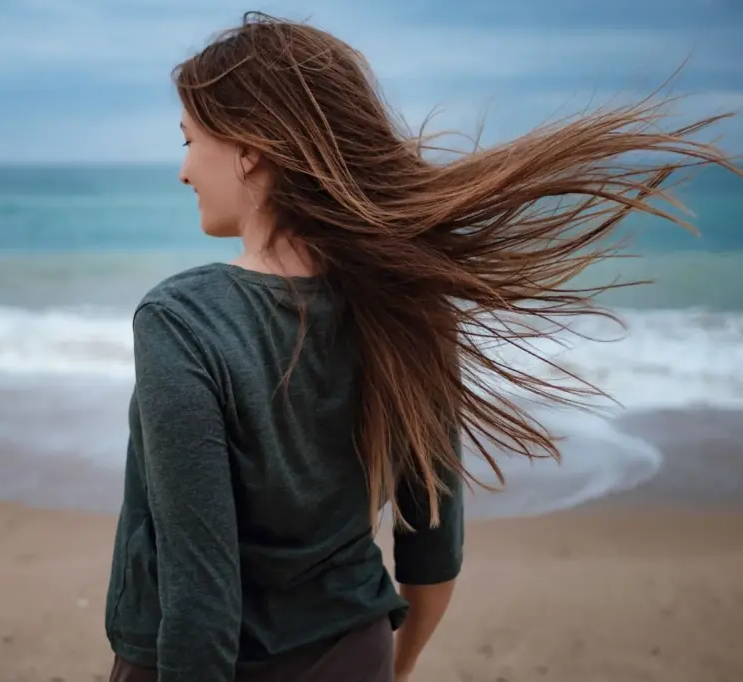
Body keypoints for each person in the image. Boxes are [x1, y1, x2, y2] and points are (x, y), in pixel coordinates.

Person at [103, 11, 739, 682]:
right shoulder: (407, 303)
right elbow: (433, 545)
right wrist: (391, 666)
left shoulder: (182, 317)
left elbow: (199, 591)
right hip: (353, 651)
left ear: (251, 148)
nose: (183, 171)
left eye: (190, 140)